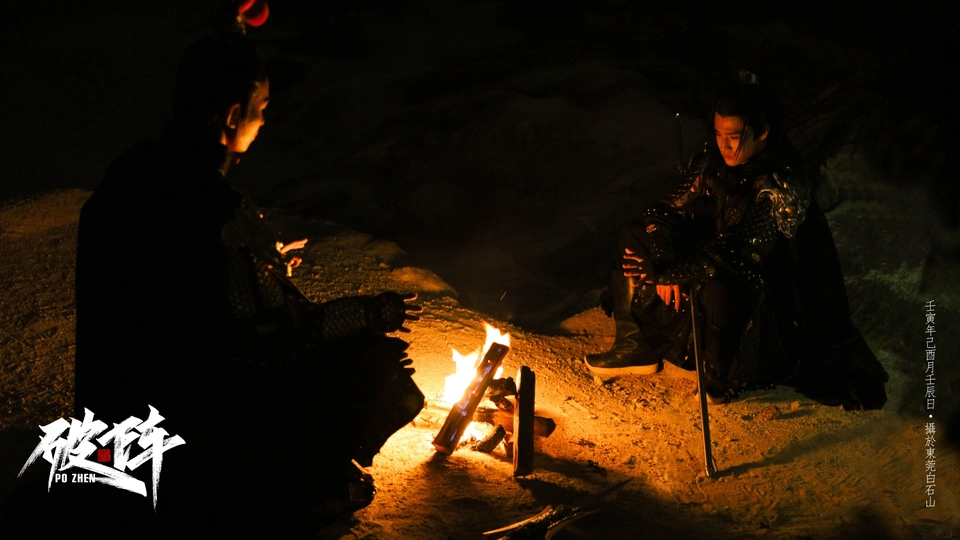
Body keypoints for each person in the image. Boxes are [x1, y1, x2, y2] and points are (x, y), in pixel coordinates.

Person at [15, 8, 424, 536]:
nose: (262, 122)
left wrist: (259, 260)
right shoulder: (215, 205)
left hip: (116, 399)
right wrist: (373, 310)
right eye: (262, 109)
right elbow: (276, 336)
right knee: (375, 361)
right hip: (191, 418)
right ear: (233, 116)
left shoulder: (134, 168)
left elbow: (173, 275)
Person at [585, 72, 888, 410]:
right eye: (717, 134)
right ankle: (636, 346)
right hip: (706, 259)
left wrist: (668, 273)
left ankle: (719, 378)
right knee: (633, 234)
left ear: (763, 131)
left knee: (721, 282)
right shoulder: (713, 162)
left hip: (758, 296)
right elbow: (662, 210)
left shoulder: (780, 182)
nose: (723, 145)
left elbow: (737, 253)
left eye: (733, 136)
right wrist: (662, 254)